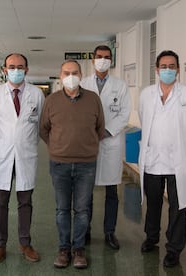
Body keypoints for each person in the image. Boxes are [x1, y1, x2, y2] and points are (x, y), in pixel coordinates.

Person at [138, 50, 186, 267]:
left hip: (178, 161)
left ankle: (174, 249)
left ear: (178, 69)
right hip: (152, 159)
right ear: (157, 70)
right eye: (164, 66)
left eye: (172, 66)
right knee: (154, 203)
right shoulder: (146, 94)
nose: (168, 70)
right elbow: (143, 116)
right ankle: (151, 237)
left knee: (178, 206)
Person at [39, 59, 105, 269]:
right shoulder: (52, 101)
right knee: (62, 209)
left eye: (74, 72)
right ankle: (64, 249)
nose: (70, 76)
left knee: (83, 210)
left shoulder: (93, 99)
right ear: (60, 77)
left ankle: (78, 250)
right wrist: (57, 147)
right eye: (66, 73)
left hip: (86, 164)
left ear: (81, 74)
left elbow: (100, 128)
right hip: (59, 164)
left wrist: (87, 147)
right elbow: (44, 129)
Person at [0, 53, 44, 264]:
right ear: (4, 70)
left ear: (27, 70)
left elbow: (40, 126)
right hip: (2, 155)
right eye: (12, 67)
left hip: (26, 155)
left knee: (25, 201)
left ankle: (25, 243)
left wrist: (24, 143)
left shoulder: (37, 94)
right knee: (0, 202)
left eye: (20, 67)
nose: (16, 70)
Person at [80, 45, 131, 249]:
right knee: (86, 192)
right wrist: (90, 133)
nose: (103, 60)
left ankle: (110, 232)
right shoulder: (83, 84)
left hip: (110, 142)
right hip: (88, 144)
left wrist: (106, 131)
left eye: (107, 57)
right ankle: (86, 231)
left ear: (111, 61)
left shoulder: (121, 86)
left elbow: (124, 114)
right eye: (99, 57)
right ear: (93, 60)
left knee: (112, 192)